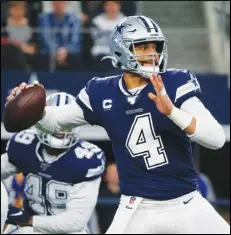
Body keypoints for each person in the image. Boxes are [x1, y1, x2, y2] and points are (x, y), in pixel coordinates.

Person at [7, 15, 230, 234]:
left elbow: (216, 138)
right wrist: (33, 108)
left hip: (187, 201)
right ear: (121, 50)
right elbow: (54, 122)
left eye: (155, 46)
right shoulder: (101, 91)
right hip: (137, 206)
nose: (152, 53)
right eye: (142, 47)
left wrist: (172, 111)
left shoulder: (175, 82)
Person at [2, 92, 106, 234]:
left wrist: (27, 219)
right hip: (29, 229)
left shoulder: (86, 159)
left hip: (66, 231)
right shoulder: (24, 145)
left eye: (66, 122)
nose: (60, 127)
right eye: (55, 120)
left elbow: (75, 221)